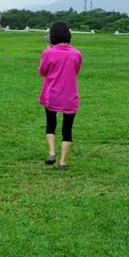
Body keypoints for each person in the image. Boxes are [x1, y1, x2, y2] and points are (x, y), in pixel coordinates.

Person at [38, 21, 83, 170]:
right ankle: (63, 162)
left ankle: (51, 152)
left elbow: (42, 72)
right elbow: (75, 71)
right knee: (67, 129)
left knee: (51, 123)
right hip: (70, 96)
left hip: (52, 94)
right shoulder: (77, 54)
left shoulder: (48, 53)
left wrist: (46, 53)